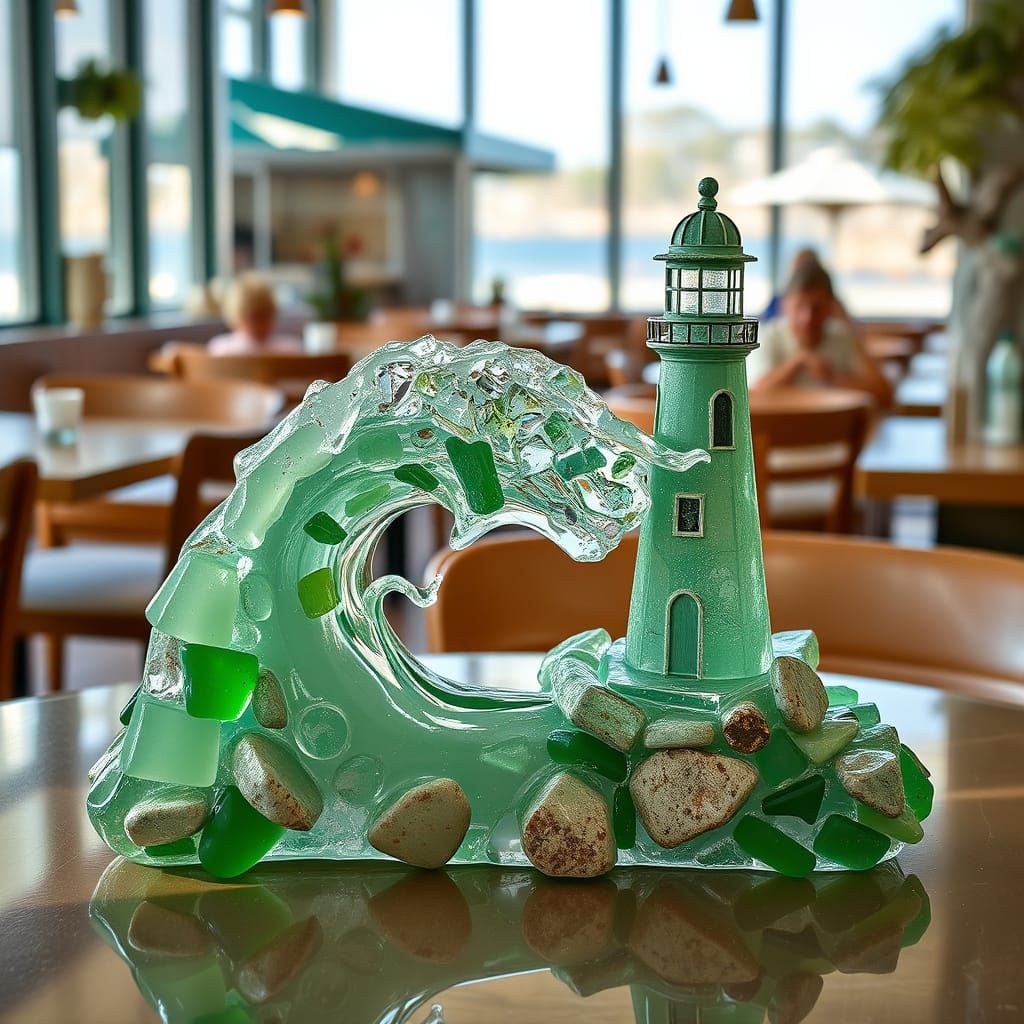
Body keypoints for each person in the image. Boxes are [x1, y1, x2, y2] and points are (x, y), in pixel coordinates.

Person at [749, 258, 892, 405]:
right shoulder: (768, 336)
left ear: (831, 307)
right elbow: (753, 394)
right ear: (784, 305)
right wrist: (798, 362)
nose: (807, 318)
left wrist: (832, 378)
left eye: (816, 308)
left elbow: (884, 393)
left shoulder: (843, 337)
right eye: (800, 306)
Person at [207, 273, 301, 356]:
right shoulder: (290, 349)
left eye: (265, 316)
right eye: (255, 318)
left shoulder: (219, 349)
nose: (261, 324)